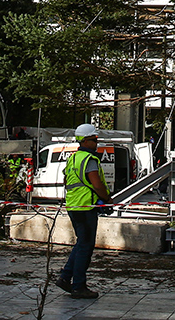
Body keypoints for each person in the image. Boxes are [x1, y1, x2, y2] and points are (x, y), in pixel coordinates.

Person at [53, 123, 108, 299]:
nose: (97, 143)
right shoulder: (89, 160)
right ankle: (78, 286)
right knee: (86, 246)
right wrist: (107, 199)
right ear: (85, 140)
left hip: (74, 206)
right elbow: (97, 184)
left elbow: (66, 180)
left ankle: (65, 277)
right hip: (86, 207)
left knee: (81, 243)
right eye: (94, 140)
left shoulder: (73, 158)